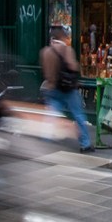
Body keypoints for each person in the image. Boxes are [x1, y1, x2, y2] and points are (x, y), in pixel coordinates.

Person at [40, 24, 93, 153]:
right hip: (68, 89)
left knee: (51, 116)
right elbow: (73, 67)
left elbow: (46, 72)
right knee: (78, 115)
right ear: (63, 36)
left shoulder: (45, 52)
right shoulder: (67, 50)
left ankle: (45, 142)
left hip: (51, 88)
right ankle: (85, 144)